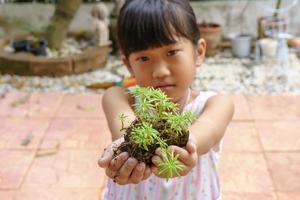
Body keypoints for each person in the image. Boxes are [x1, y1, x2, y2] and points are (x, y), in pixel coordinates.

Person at [98, 0, 234, 199]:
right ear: (128, 64)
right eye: (144, 58)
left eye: (172, 52)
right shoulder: (118, 98)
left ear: (199, 52)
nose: (160, 71)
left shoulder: (216, 104)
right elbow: (125, 126)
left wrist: (188, 145)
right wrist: (128, 147)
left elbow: (207, 130)